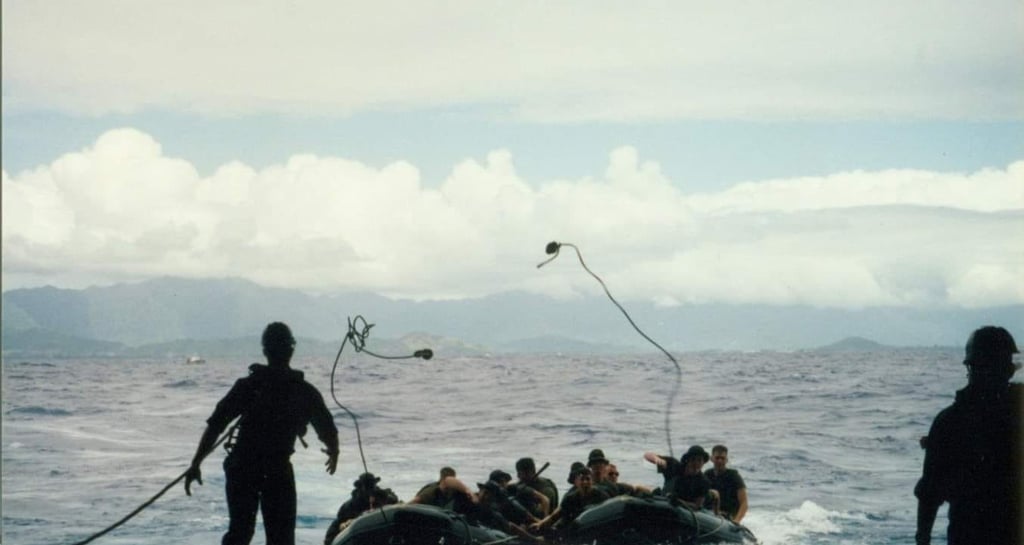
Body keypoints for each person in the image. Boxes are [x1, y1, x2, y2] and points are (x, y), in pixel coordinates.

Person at [184, 322, 340, 545]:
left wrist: (196, 462)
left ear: (265, 351)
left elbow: (216, 425)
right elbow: (327, 428)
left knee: (240, 534)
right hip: (276, 470)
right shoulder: (303, 391)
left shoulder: (248, 386)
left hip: (243, 468)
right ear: (291, 349)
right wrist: (334, 451)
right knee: (281, 539)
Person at [915, 326, 1022, 545]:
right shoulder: (950, 421)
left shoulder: (949, 421)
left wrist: (923, 538)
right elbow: (929, 494)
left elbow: (929, 495)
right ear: (1010, 370)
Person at [323, 472, 399, 545]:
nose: (369, 490)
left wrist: (383, 497)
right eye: (367, 486)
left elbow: (394, 501)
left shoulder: (382, 496)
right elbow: (334, 530)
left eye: (371, 486)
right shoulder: (350, 506)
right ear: (360, 487)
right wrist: (344, 525)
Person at [644, 445, 719, 512]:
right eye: (693, 459)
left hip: (685, 510)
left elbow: (697, 506)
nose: (696, 463)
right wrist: (656, 459)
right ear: (687, 460)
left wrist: (679, 502)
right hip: (663, 500)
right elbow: (647, 455)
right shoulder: (674, 465)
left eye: (699, 460)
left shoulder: (704, 482)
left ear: (703, 462)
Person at [704, 445, 748, 522]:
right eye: (717, 458)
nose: (720, 461)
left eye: (722, 458)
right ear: (712, 459)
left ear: (726, 460)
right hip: (709, 513)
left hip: (728, 516)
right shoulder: (707, 474)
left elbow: (744, 503)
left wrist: (736, 521)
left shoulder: (734, 476)